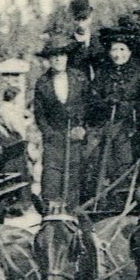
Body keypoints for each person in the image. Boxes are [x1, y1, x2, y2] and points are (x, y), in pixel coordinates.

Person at [85, 18, 140, 205]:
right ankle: (100, 197)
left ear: (130, 51)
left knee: (124, 156)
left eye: (122, 49)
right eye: (114, 49)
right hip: (106, 125)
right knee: (98, 156)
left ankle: (125, 195)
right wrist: (105, 103)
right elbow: (92, 99)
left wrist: (129, 106)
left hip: (131, 128)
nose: (118, 54)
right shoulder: (103, 73)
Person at [33, 34, 88, 210]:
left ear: (67, 57)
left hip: (76, 140)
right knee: (51, 180)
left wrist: (82, 128)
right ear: (49, 59)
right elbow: (39, 115)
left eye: (62, 55)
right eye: (54, 55)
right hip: (54, 141)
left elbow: (91, 106)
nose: (58, 59)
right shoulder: (42, 83)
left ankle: (73, 221)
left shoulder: (79, 78)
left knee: (73, 181)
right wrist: (50, 134)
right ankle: (50, 219)